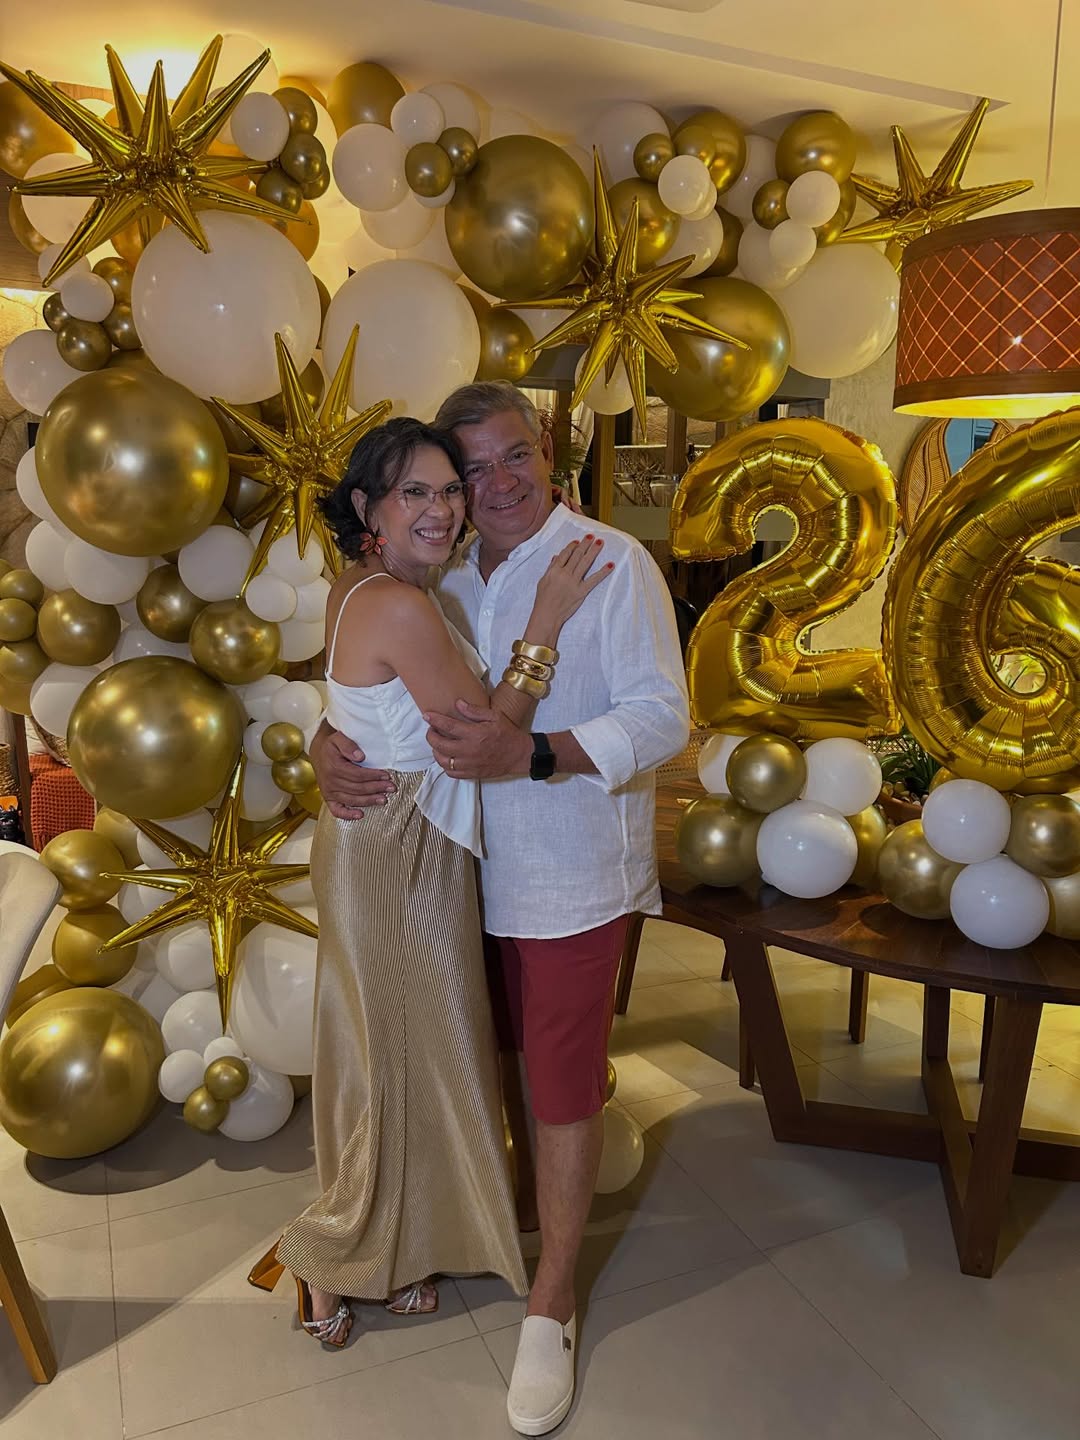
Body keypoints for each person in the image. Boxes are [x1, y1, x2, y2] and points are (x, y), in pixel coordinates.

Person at [312, 383, 690, 1435]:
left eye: (510, 456)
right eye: (465, 472)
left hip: (566, 873)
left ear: (548, 448)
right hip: (447, 875)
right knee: (477, 1060)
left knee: (561, 1085)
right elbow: (380, 687)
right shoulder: (443, 569)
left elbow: (663, 717)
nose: (492, 485)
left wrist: (539, 753)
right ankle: (482, 1218)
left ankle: (552, 1300)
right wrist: (324, 742)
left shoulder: (611, 560)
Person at [247, 416, 611, 1349]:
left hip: (395, 837)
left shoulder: (371, 586)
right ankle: (323, 1257)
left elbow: (367, 707)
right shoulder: (400, 604)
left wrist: (328, 740)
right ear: (367, 506)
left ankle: (397, 1249)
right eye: (417, 491)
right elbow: (486, 733)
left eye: (450, 489)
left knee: (404, 1052)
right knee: (396, 1057)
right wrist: (543, 625)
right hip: (396, 852)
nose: (443, 509)